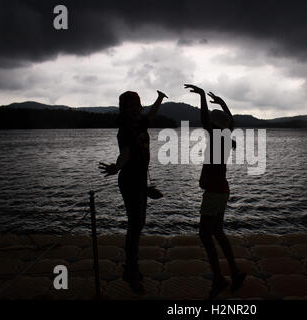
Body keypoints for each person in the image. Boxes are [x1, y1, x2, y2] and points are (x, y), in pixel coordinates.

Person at [99, 89, 168, 292]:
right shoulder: (125, 130)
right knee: (135, 226)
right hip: (129, 181)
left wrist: (159, 98)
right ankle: (131, 271)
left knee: (138, 224)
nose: (138, 107)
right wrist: (117, 167)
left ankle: (131, 267)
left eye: (138, 104)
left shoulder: (139, 123)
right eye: (133, 104)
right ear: (126, 107)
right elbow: (126, 154)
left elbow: (151, 115)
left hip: (137, 182)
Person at [184, 84, 246, 299]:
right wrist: (222, 103)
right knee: (217, 232)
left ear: (216, 125)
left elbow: (204, 119)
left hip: (214, 192)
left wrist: (202, 96)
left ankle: (219, 278)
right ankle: (235, 273)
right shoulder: (226, 136)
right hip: (222, 190)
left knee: (205, 234)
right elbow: (231, 120)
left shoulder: (219, 136)